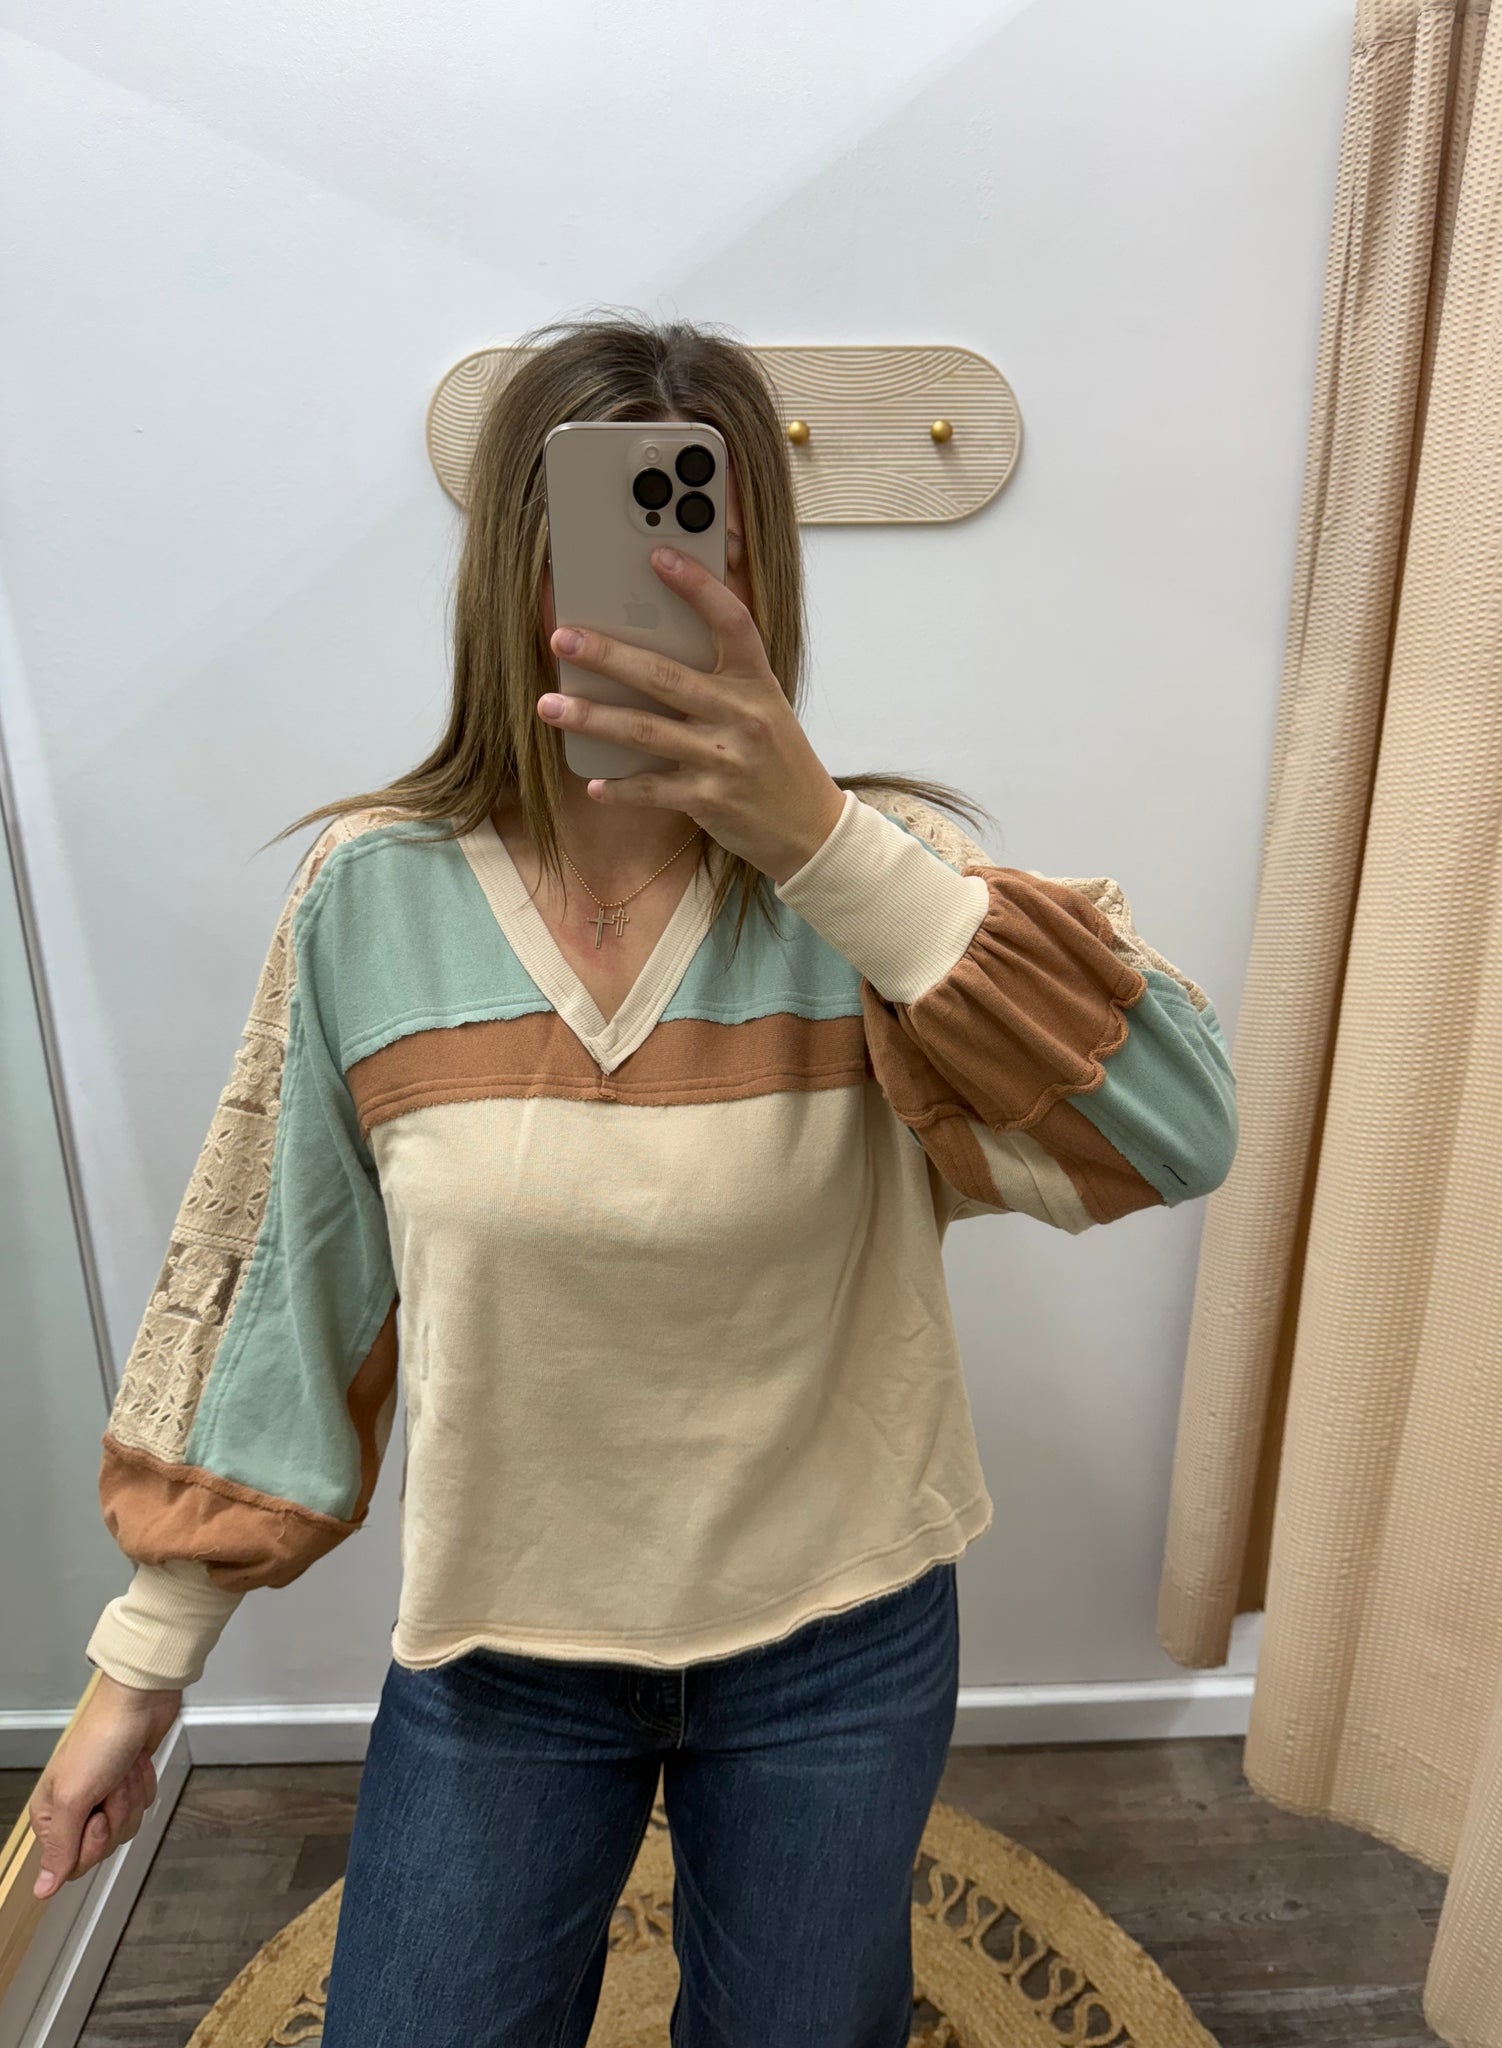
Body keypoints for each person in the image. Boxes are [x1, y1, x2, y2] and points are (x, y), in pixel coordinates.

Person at [29, 309, 1239, 2046]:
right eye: (599, 542)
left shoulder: (878, 887)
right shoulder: (374, 899)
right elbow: (285, 1293)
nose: (646, 598)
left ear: (759, 578)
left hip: (838, 1636)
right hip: (506, 1650)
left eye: (697, 549)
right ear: (511, 573)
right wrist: (142, 1670)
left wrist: (821, 842)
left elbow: (1180, 1125)